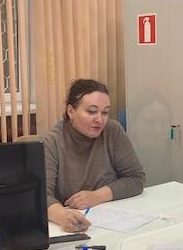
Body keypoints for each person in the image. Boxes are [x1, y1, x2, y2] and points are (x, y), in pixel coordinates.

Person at [43, 79, 146, 233]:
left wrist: (97, 196)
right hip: (73, 224)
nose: (99, 119)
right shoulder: (52, 141)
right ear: (71, 112)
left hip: (113, 219)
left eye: (105, 112)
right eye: (91, 111)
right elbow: (42, 196)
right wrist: (63, 216)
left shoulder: (113, 131)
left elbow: (136, 178)